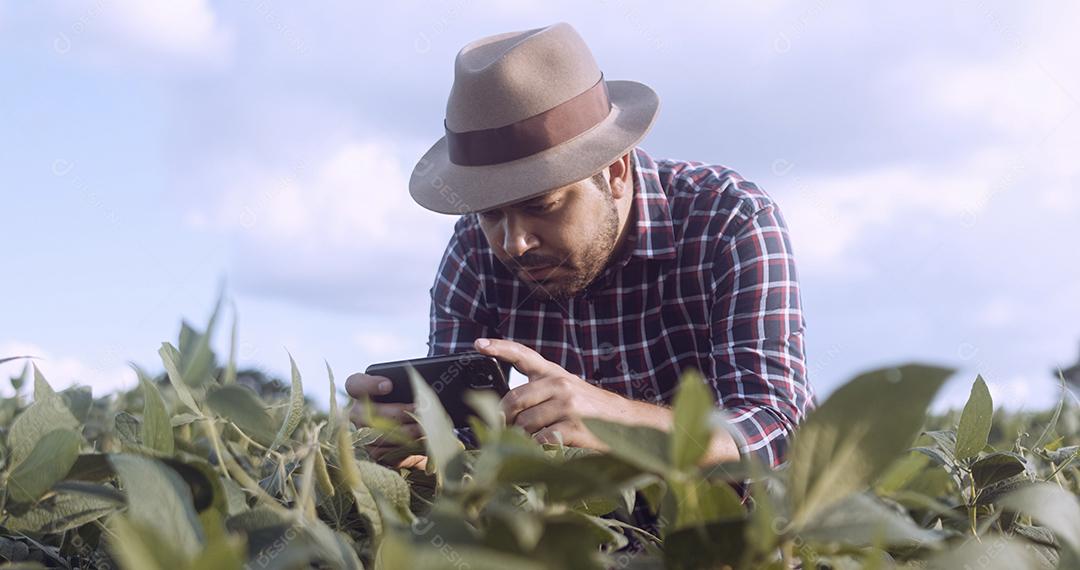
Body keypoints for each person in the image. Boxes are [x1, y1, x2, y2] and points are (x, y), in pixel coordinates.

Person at [345, 22, 813, 477]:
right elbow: (467, 443)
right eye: (490, 213)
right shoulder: (473, 248)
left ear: (615, 172)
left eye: (540, 206)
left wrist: (616, 421)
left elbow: (776, 426)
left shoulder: (728, 220)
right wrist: (416, 447)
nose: (514, 242)